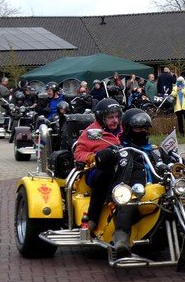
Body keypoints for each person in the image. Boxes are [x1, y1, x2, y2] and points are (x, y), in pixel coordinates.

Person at [92, 108, 174, 257]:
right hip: (131, 194)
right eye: (138, 128)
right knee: (128, 201)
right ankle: (121, 240)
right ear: (128, 128)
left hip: (159, 192)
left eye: (145, 128)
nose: (143, 131)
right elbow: (101, 160)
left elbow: (174, 162)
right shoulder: (121, 150)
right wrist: (105, 154)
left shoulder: (155, 150)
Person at [74, 98, 124, 235]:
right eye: (110, 117)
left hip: (123, 166)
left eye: (117, 117)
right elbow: (78, 153)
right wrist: (93, 157)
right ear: (101, 118)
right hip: (97, 170)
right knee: (104, 175)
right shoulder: (91, 132)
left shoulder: (124, 129)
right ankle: (92, 219)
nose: (114, 120)